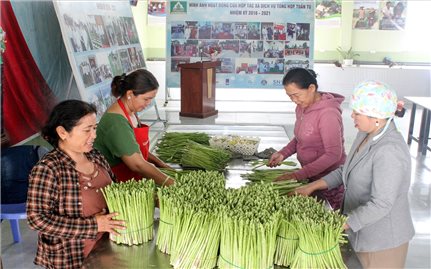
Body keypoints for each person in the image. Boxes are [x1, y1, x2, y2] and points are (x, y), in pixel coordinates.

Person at [294, 81, 415, 269]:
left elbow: (381, 203)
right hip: (361, 232)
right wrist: (312, 186)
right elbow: (347, 170)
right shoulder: (366, 134)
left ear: (376, 116)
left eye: (357, 113)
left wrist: (341, 223)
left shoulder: (390, 150)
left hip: (382, 241)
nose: (352, 116)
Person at [27, 100, 126, 269]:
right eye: (87, 130)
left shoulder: (96, 156)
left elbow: (115, 188)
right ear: (62, 132)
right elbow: (37, 219)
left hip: (108, 246)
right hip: (73, 256)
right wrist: (94, 225)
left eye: (94, 128)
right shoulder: (48, 169)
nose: (94, 135)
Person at [268, 68, 346, 210]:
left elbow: (333, 154)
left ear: (311, 88)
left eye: (297, 95)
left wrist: (297, 175)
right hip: (310, 175)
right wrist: (283, 153)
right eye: (290, 96)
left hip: (328, 181)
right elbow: (301, 137)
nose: (294, 100)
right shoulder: (302, 107)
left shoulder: (328, 114)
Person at [94, 69, 174, 185]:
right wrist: (171, 182)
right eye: (146, 99)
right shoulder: (116, 122)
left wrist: (161, 164)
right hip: (119, 183)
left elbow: (135, 148)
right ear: (130, 94)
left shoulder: (131, 111)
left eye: (151, 99)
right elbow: (137, 164)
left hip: (135, 180)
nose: (148, 103)